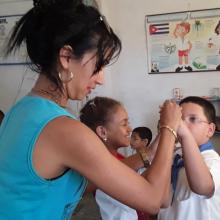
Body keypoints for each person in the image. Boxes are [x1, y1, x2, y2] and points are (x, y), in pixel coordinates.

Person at [0, 0, 182, 219]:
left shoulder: (21, 110)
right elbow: (154, 201)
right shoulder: (64, 129)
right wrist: (169, 127)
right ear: (66, 57)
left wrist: (149, 152)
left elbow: (82, 177)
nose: (101, 79)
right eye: (99, 66)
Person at [158, 96, 220, 220]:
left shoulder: (212, 160)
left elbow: (202, 187)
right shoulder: (175, 155)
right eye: (179, 119)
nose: (182, 124)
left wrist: (185, 134)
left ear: (210, 130)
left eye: (192, 119)